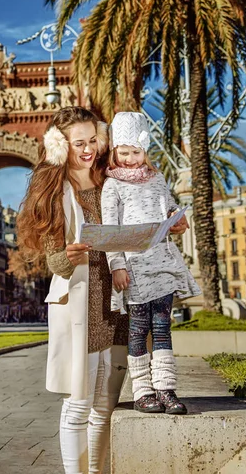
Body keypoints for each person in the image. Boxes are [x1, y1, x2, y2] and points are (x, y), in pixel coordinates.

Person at [17, 106, 129, 474]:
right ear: (60, 146)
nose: (88, 150)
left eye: (92, 140)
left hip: (116, 302)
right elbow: (56, 263)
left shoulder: (112, 180)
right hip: (80, 303)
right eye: (78, 143)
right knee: (79, 403)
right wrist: (66, 254)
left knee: (105, 405)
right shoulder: (55, 191)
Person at [101, 112, 201, 416]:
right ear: (115, 151)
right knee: (138, 327)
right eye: (125, 153)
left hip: (162, 265)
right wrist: (117, 266)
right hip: (134, 269)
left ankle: (166, 389)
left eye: (137, 152)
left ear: (146, 151)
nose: (131, 159)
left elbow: (170, 207)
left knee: (163, 327)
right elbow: (110, 230)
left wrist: (178, 220)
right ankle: (143, 391)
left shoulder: (157, 179)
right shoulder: (112, 186)